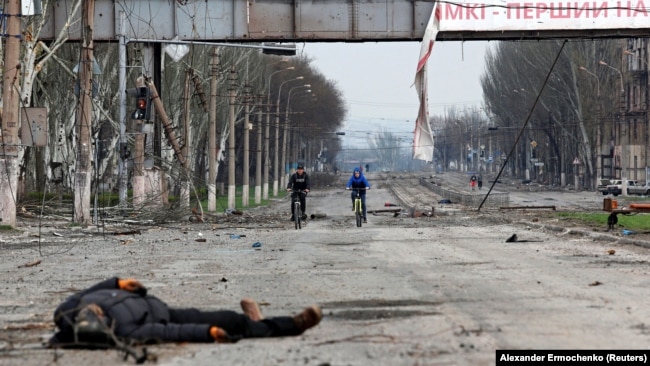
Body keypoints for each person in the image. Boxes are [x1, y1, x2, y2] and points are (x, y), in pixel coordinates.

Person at [48, 277, 322, 347]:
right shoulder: (124, 331)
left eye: (89, 312)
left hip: (161, 305)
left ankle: (255, 321)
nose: (93, 310)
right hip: (165, 316)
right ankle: (292, 324)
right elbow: (169, 332)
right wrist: (207, 332)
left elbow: (82, 293)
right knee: (229, 323)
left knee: (228, 317)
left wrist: (117, 283)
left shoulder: (66, 312)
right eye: (96, 316)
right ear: (102, 324)